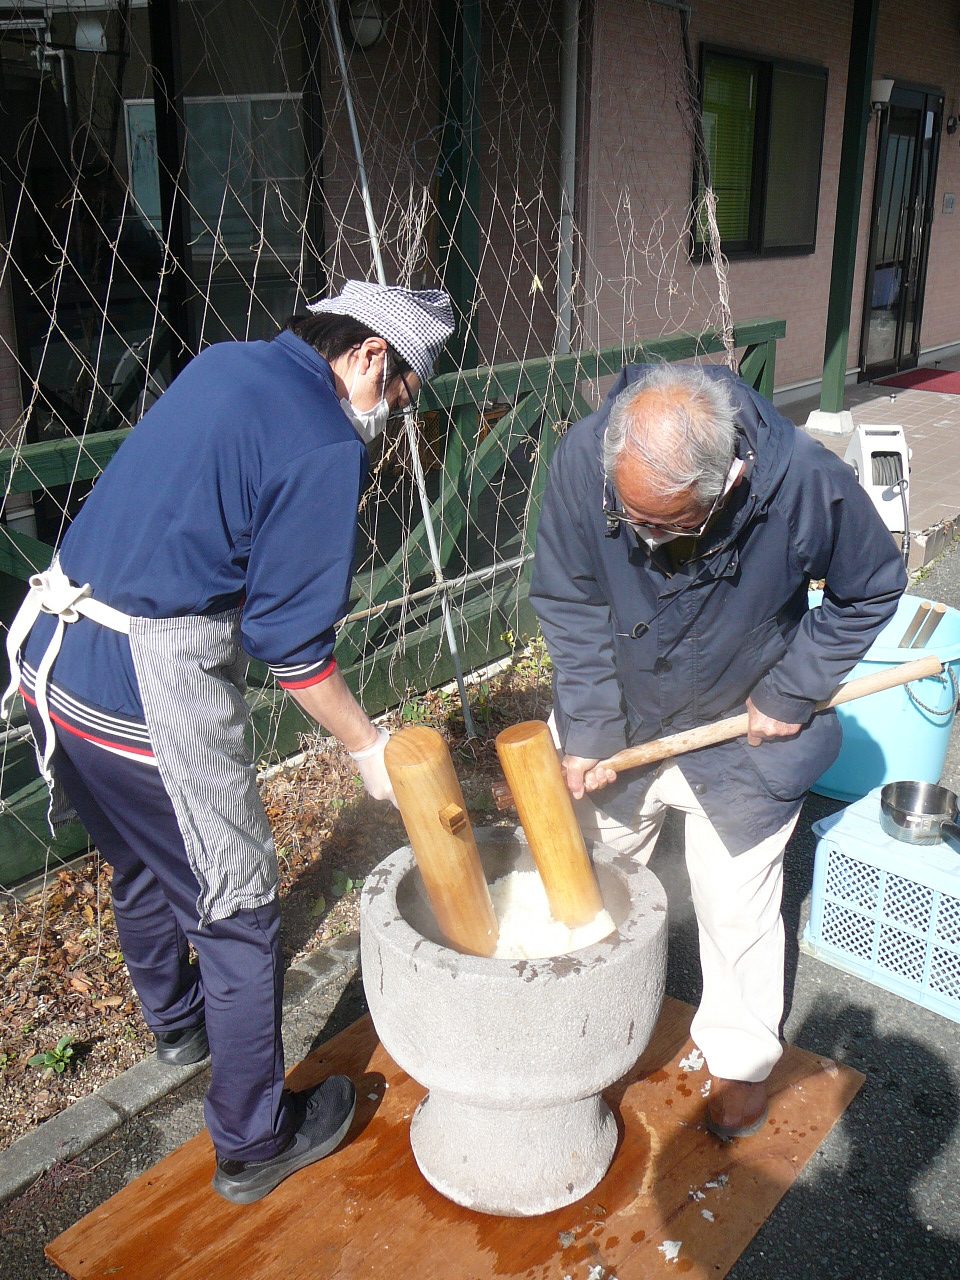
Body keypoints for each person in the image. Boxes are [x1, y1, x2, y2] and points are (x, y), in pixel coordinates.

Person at [2, 280, 455, 1202]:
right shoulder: (324, 441)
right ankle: (254, 1141)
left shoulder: (224, 364)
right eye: (401, 393)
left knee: (144, 853)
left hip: (53, 659)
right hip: (145, 686)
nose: (394, 414)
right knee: (240, 908)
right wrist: (367, 746)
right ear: (371, 354)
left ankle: (176, 1023)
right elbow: (293, 648)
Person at [529, 361, 907, 1139]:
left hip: (743, 719)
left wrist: (794, 688)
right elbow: (570, 598)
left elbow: (869, 587)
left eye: (666, 524)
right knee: (591, 884)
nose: (643, 537)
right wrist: (590, 729)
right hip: (622, 712)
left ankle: (740, 1059)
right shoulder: (585, 459)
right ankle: (588, 1034)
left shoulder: (803, 482)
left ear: (728, 482)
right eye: (630, 518)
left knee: (737, 905)